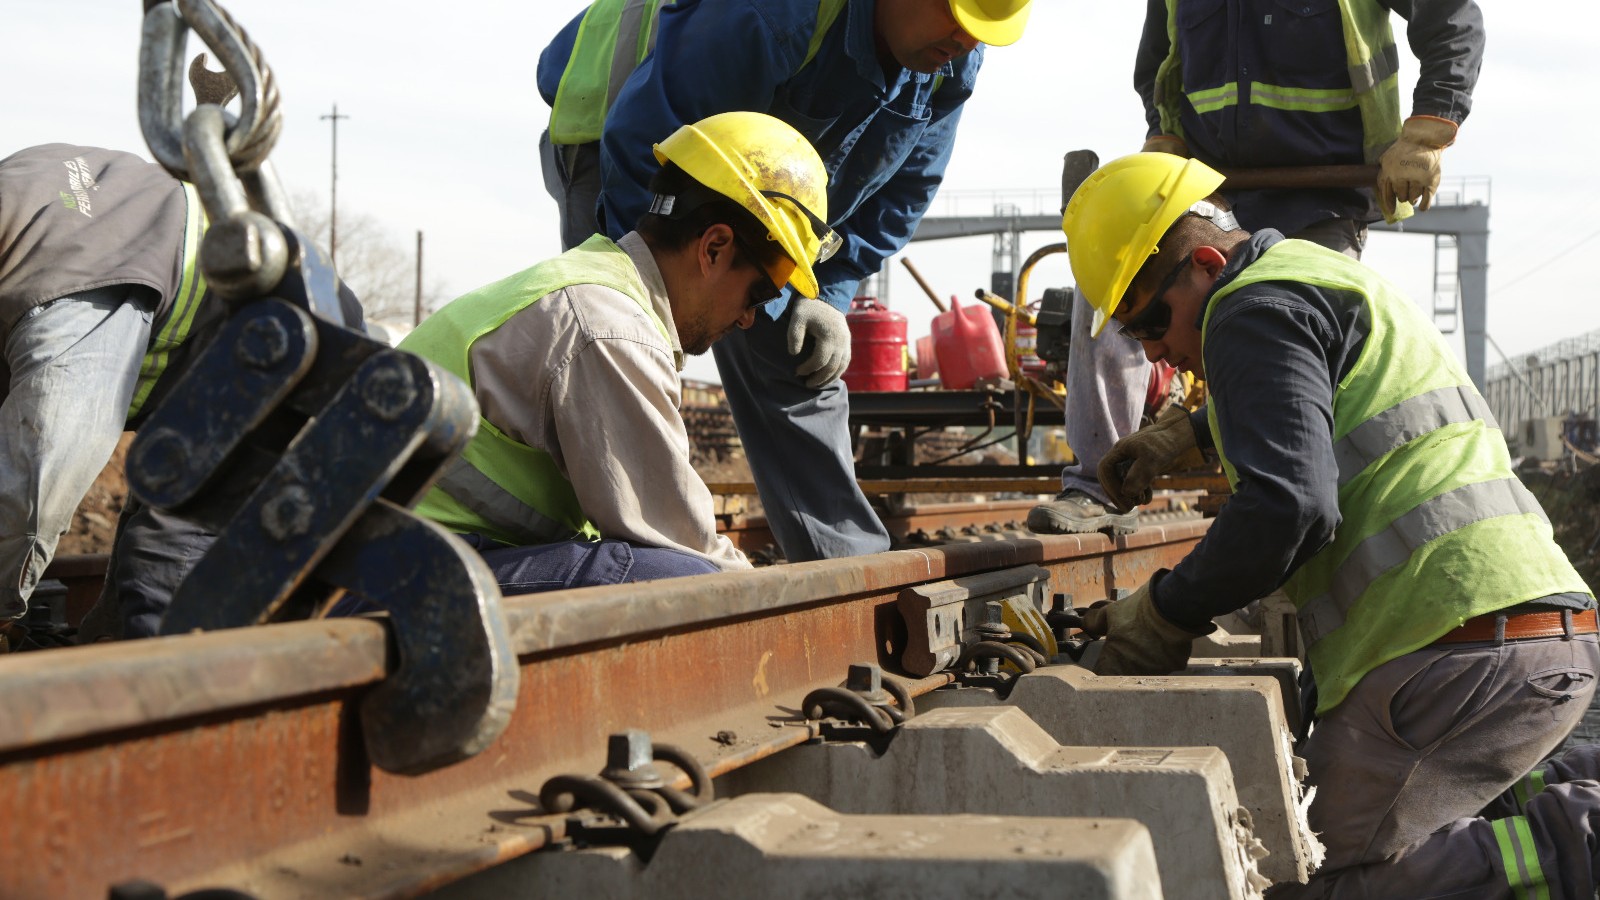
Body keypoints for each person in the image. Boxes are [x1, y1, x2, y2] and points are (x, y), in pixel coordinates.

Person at [1067, 152, 1600, 896]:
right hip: (1525, 631)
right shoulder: (1316, 275)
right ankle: (1566, 795)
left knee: (1323, 879)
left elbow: (1288, 506)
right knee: (1435, 824)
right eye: (1133, 333)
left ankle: (1580, 842)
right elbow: (1324, 394)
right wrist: (1190, 432)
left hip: (1452, 650)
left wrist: (1163, 614)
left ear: (1209, 264)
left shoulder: (1246, 308)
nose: (1154, 348)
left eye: (1152, 318)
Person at [537, 0, 1033, 562]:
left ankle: (847, 579)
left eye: (980, 30)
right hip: (622, 137)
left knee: (800, 360)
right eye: (958, 19)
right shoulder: (771, 12)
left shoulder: (952, 56)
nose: (967, 40)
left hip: (753, 179)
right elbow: (645, 134)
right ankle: (589, 565)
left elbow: (907, 188)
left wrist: (825, 292)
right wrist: (654, 299)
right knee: (613, 351)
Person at [1028, 0, 1484, 536]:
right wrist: (1164, 130)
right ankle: (1095, 487)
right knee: (1112, 286)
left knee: (1303, 356)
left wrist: (1430, 125)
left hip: (1320, 198)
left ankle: (1292, 506)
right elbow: (1157, 61)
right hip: (1208, 190)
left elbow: (1450, 16)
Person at [401, 112, 836, 592]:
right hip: (387, 578)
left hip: (402, 552)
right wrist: (773, 608)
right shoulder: (608, 328)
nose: (749, 318)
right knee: (681, 579)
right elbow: (679, 541)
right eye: (757, 294)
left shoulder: (595, 286)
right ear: (714, 248)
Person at [0, 144, 221, 648]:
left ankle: (159, 714)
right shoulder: (22, 180)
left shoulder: (65, 296)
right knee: (121, 617)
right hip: (209, 365)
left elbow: (38, 479)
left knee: (169, 556)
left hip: (283, 373)